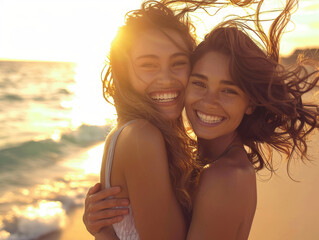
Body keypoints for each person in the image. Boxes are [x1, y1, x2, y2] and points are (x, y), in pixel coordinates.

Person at [84, 0, 319, 239]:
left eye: (228, 90)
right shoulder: (149, 140)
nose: (209, 102)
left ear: (250, 102)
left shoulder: (223, 174)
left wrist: (102, 232)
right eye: (199, 83)